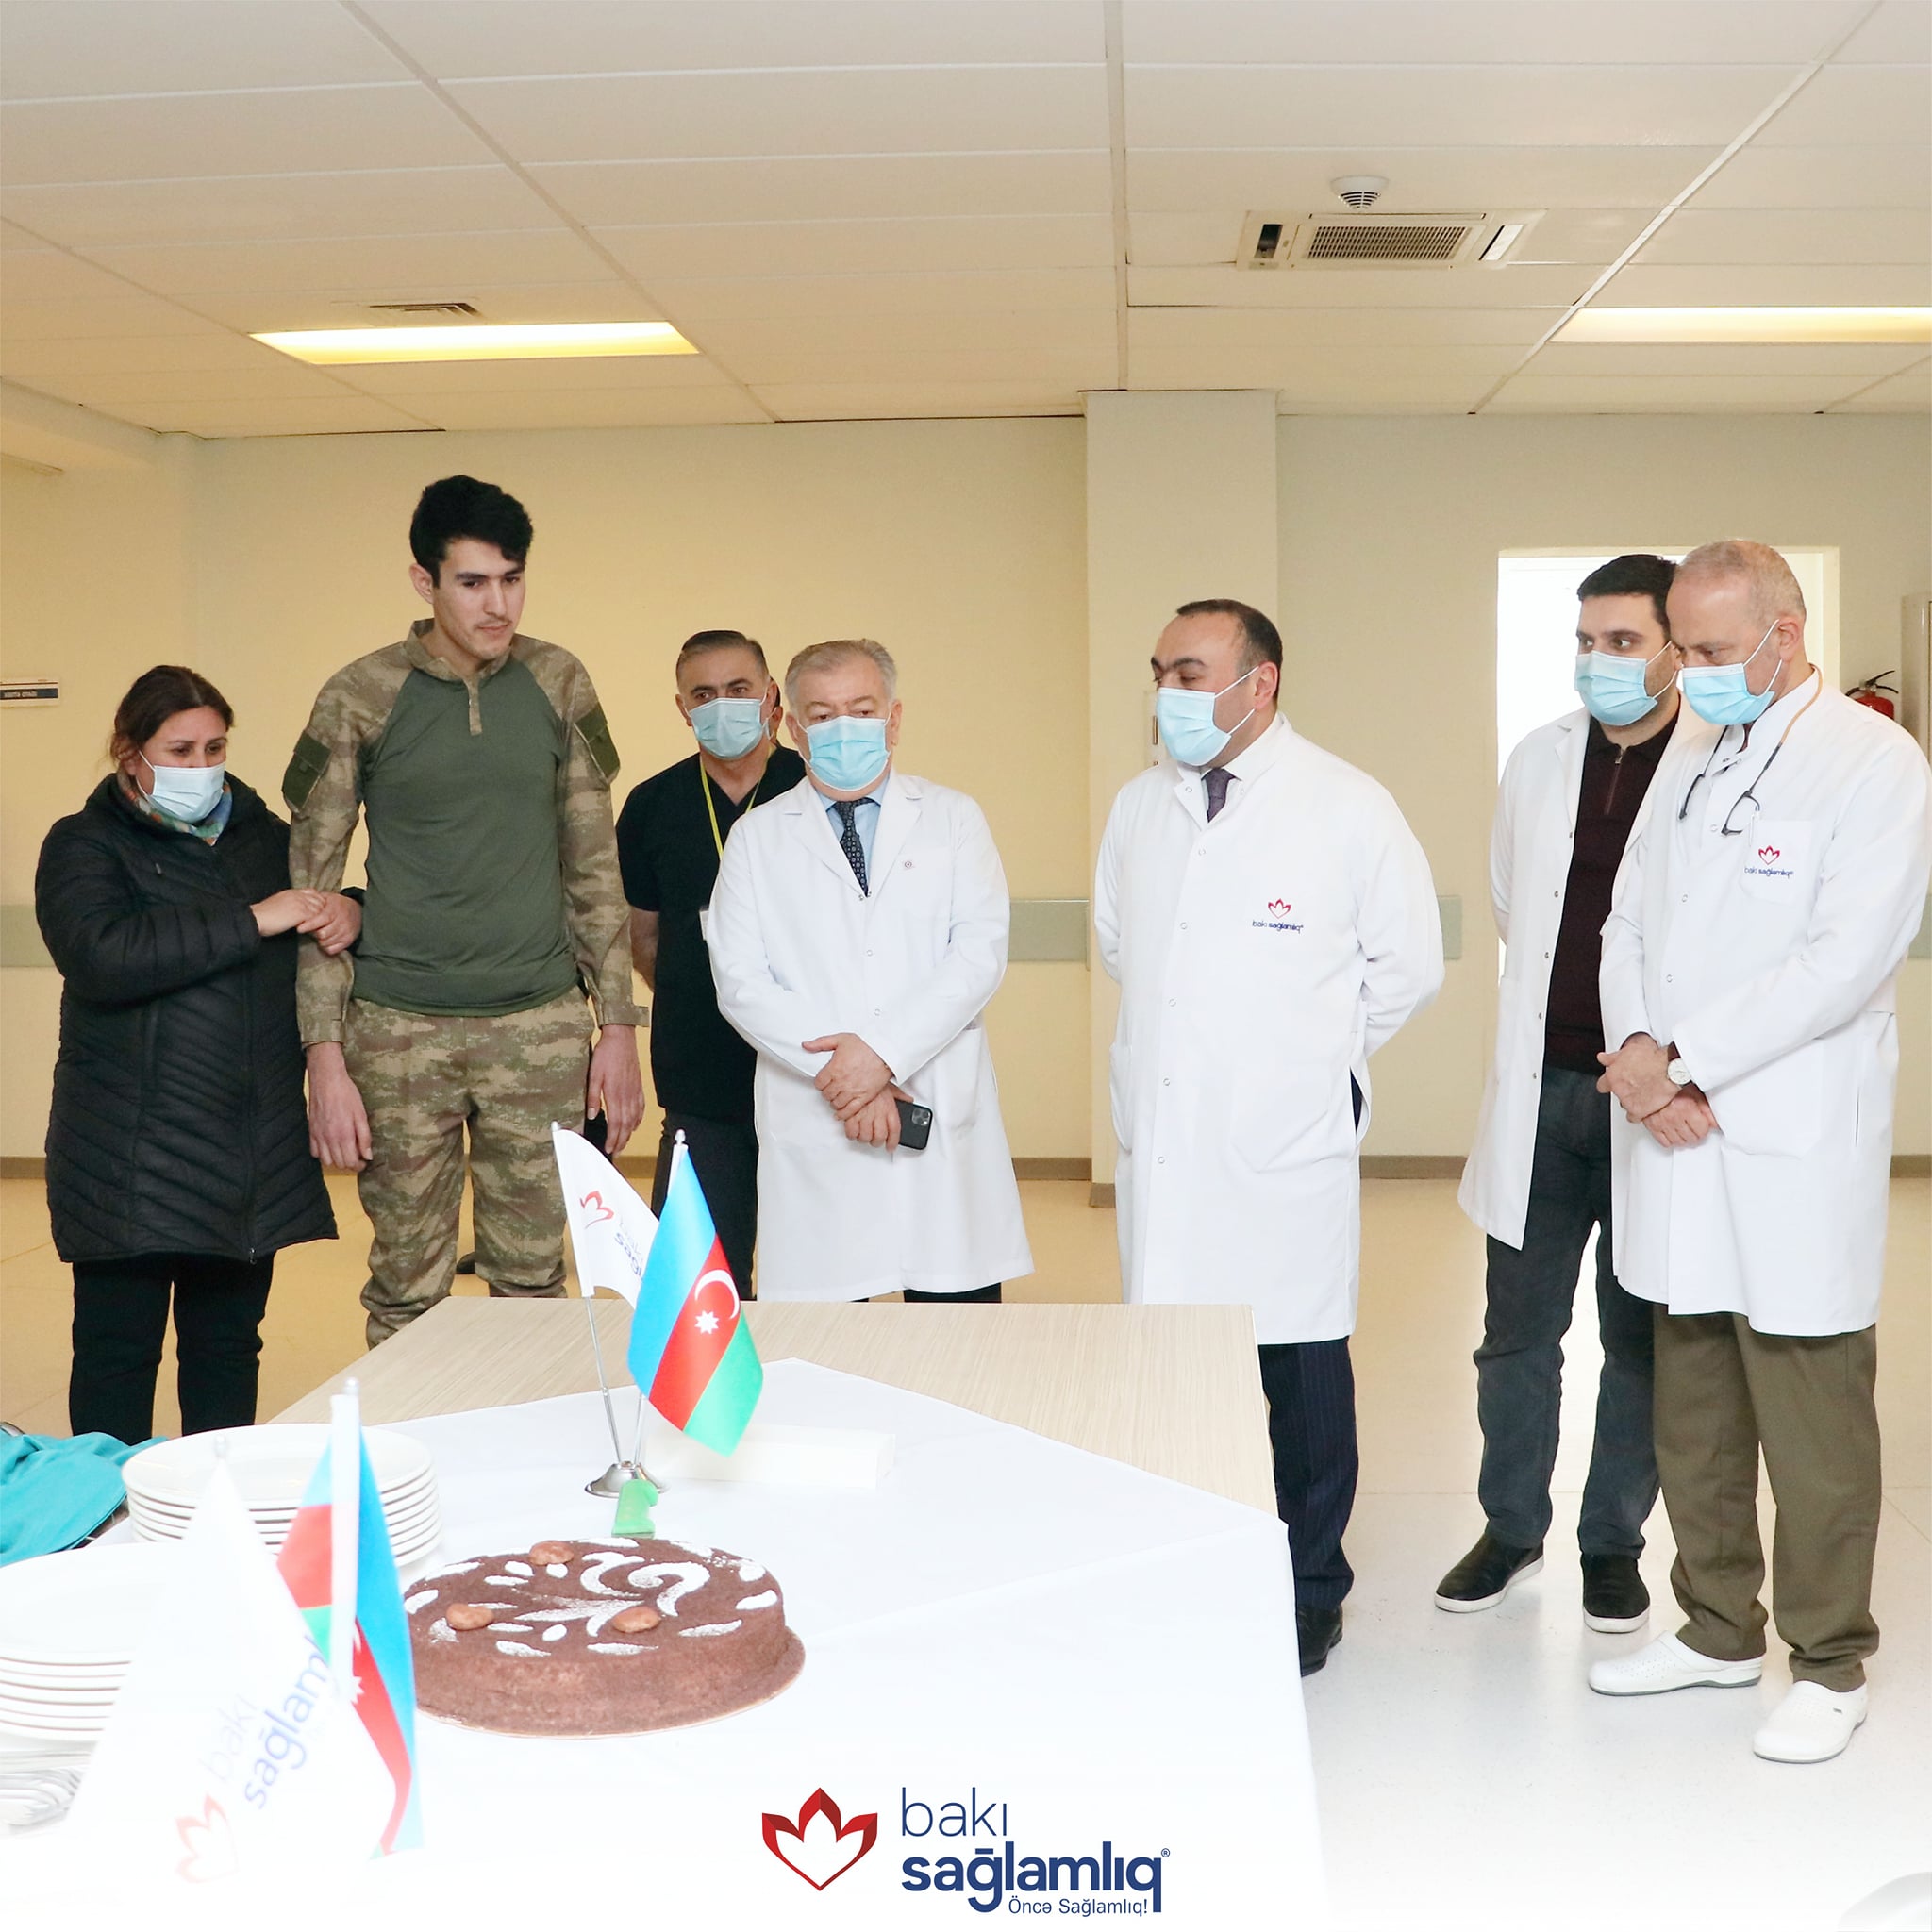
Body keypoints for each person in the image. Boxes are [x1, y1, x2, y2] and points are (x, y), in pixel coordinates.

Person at [1588, 541, 1931, 1765]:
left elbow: (1843, 959)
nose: (1690, 670)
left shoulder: (1872, 763)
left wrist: (1685, 1058)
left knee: (1810, 1410)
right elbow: (1626, 916)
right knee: (1693, 1400)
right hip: (1677, 1125)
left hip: (1784, 1127)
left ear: (1785, 634)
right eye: (1683, 647)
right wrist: (1640, 1052)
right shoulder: (1694, 745)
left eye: (1714, 649)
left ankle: (1829, 1662)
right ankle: (1717, 1627)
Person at [1095, 599, 1443, 1675]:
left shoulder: (1346, 804)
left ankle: (1307, 1588)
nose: (1167, 692)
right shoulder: (1140, 805)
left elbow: (1407, 966)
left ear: (1262, 682)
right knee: (1180, 1366)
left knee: (1298, 1369)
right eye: (1161, 670)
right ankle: (1195, 1557)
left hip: (1282, 1142)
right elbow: (1122, 943)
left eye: (1190, 672)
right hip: (1170, 1135)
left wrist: (1308, 1065)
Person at [288, 475, 644, 1346]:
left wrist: (618, 1029)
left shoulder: (558, 679)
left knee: (534, 1283)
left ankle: (523, 1433)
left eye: (512, 580)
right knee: (407, 1292)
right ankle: (415, 1434)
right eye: (473, 582)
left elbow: (594, 864)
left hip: (540, 1026)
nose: (498, 605)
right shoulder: (360, 694)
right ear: (425, 581)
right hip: (399, 1033)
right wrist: (324, 1058)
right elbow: (312, 891)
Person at [1441, 555, 1681, 1631]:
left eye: (1622, 642)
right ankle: (1509, 1529)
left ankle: (1610, 1544)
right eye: (1586, 642)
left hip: (1650, 1098)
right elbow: (1512, 901)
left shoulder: (1712, 764)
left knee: (1639, 1340)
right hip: (1541, 1090)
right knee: (1516, 1336)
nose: (1598, 661)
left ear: (1673, 649)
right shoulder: (1538, 758)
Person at [37, 665, 357, 1441]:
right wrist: (253, 919)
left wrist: (354, 909)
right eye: (179, 750)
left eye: (214, 748)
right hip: (125, 1155)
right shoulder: (84, 843)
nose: (201, 766)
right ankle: (103, 1506)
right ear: (130, 752)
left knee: (227, 1351)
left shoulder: (265, 839)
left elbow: (313, 915)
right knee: (117, 1353)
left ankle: (217, 1501)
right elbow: (101, 956)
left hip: (248, 1150)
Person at [708, 638, 1033, 1304]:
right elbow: (741, 982)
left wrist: (881, 1055)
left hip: (933, 1099)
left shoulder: (953, 819)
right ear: (794, 730)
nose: (843, 728)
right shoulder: (757, 838)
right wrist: (851, 1075)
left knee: (956, 1330)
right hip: (818, 1111)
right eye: (822, 715)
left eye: (861, 710)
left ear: (894, 718)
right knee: (825, 1338)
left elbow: (976, 955)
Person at [615, 631, 806, 1294]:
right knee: (699, 1284)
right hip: (699, 1072)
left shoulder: (810, 789)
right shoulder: (652, 804)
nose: (721, 705)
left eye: (738, 689)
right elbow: (643, 936)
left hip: (807, 1071)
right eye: (703, 694)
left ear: (771, 697)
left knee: (813, 1277)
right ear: (682, 708)